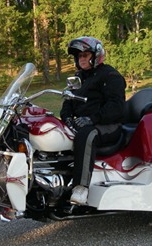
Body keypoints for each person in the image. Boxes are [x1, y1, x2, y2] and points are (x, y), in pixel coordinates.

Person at [60, 36, 126, 205]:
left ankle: (81, 188)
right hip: (85, 123)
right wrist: (66, 118)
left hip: (109, 125)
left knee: (86, 135)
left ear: (96, 55)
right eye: (79, 56)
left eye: (85, 55)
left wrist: (91, 119)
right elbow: (68, 101)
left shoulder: (111, 76)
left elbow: (116, 107)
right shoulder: (79, 78)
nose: (82, 59)